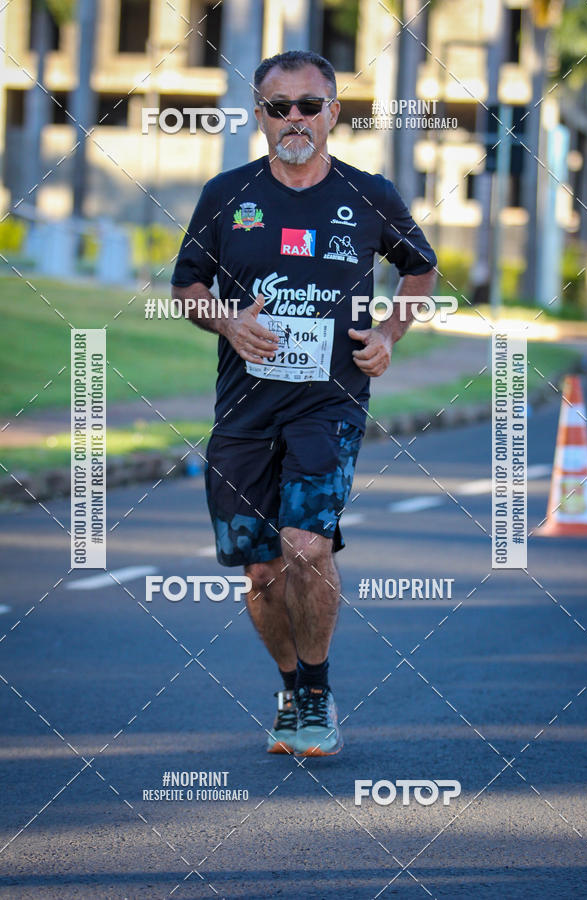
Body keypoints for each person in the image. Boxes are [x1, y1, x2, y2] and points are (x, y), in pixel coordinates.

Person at [171, 50, 437, 757]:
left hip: (331, 404)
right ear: (259, 115)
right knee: (262, 569)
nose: (295, 118)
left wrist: (391, 331)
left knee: (305, 546)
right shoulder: (226, 194)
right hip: (244, 413)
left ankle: (316, 696)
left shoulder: (370, 195)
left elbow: (421, 266)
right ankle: (292, 688)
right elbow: (186, 289)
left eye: (310, 106)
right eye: (279, 106)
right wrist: (227, 320)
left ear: (333, 114)